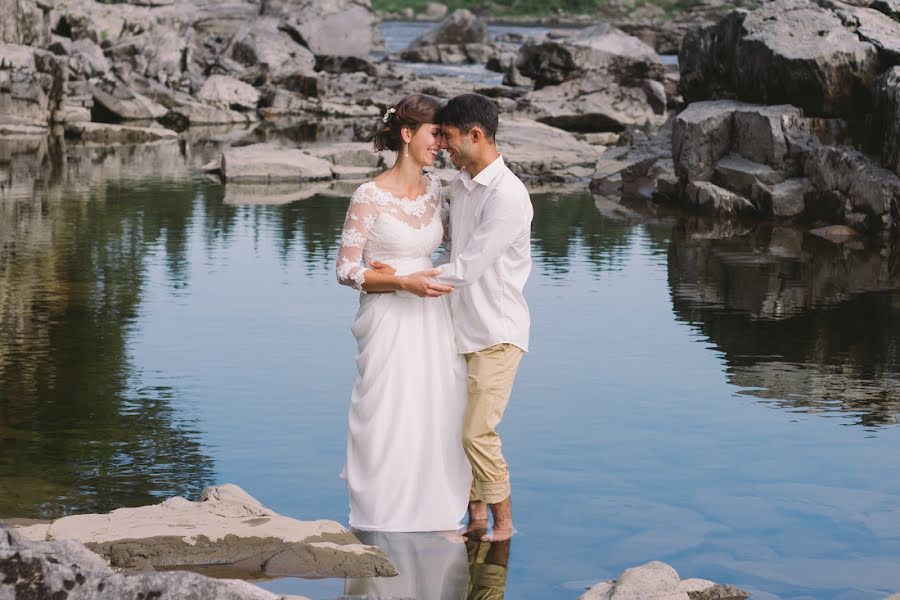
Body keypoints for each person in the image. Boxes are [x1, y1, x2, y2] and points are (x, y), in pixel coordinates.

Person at [382, 93, 533, 541]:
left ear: (476, 135)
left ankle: (505, 523)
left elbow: (466, 268)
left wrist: (404, 279)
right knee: (455, 432)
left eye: (448, 137)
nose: (443, 145)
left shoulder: (508, 195)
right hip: (457, 329)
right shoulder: (462, 185)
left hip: (497, 332)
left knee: (476, 432)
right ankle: (476, 520)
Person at [335, 94, 471, 532]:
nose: (443, 143)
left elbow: (460, 248)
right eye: (436, 133)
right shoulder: (369, 196)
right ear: (408, 134)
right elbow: (344, 269)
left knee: (437, 409)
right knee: (387, 411)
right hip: (388, 318)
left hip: (434, 316)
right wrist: (398, 281)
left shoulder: (437, 190)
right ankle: (380, 515)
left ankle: (435, 512)